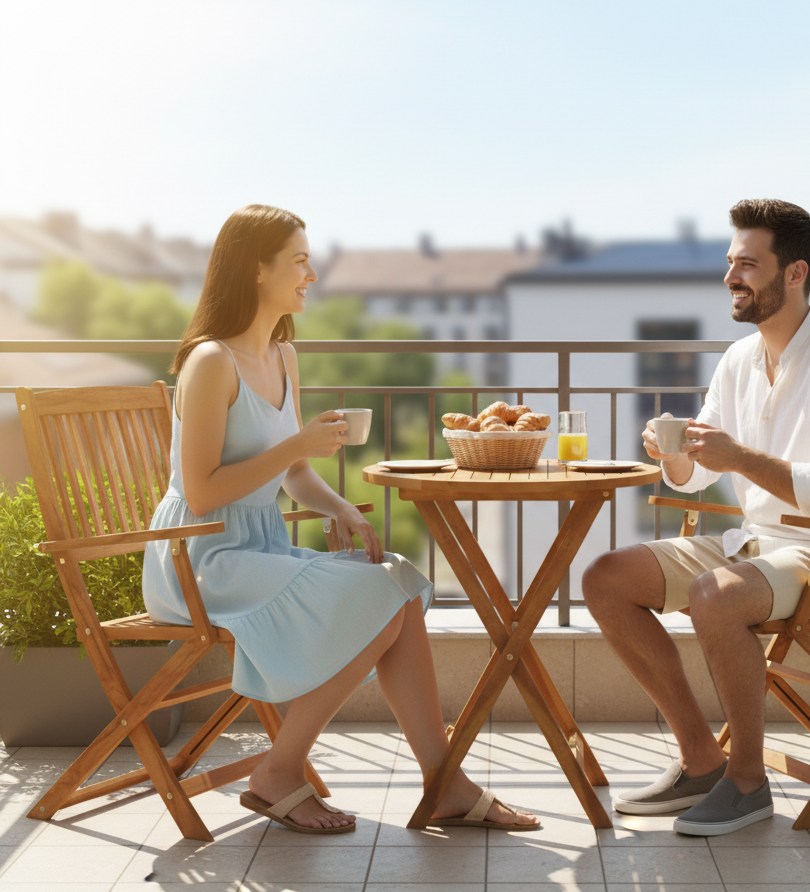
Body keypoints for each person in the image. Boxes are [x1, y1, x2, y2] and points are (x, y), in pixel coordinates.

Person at [142, 204, 538, 834]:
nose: (312, 274)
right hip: (201, 556)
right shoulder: (210, 361)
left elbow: (294, 474)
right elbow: (203, 491)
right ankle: (279, 772)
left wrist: (340, 507)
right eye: (300, 261)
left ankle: (443, 783)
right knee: (378, 596)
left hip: (258, 547)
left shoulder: (283, 355)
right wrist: (297, 446)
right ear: (256, 268)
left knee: (396, 580)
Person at [582, 199, 810, 837]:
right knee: (605, 579)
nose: (731, 276)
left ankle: (747, 782)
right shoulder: (739, 359)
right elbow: (698, 473)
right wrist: (674, 456)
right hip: (755, 545)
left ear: (795, 273)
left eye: (748, 264)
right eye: (730, 262)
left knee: (715, 596)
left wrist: (740, 458)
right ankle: (702, 759)